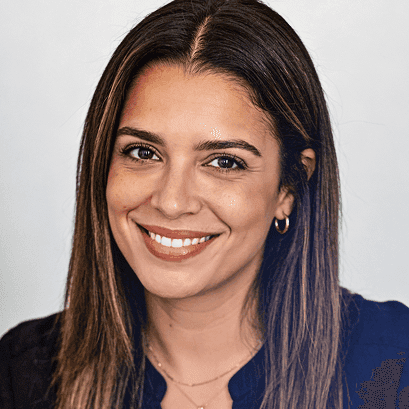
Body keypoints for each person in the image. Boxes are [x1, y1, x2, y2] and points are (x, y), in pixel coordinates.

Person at [1, 0, 409, 408]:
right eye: (143, 153)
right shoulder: (23, 374)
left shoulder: (394, 365)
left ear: (289, 188)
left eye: (224, 162)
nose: (171, 202)